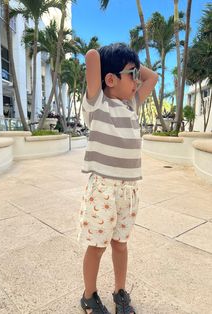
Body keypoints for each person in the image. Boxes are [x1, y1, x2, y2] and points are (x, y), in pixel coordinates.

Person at [78, 43, 158, 314]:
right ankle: (89, 295)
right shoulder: (97, 103)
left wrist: (131, 62)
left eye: (137, 75)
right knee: (97, 246)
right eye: (132, 74)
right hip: (102, 189)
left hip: (128, 190)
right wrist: (120, 60)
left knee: (120, 245)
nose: (137, 81)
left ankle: (120, 290)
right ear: (110, 79)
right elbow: (92, 57)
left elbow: (153, 77)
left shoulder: (132, 104)